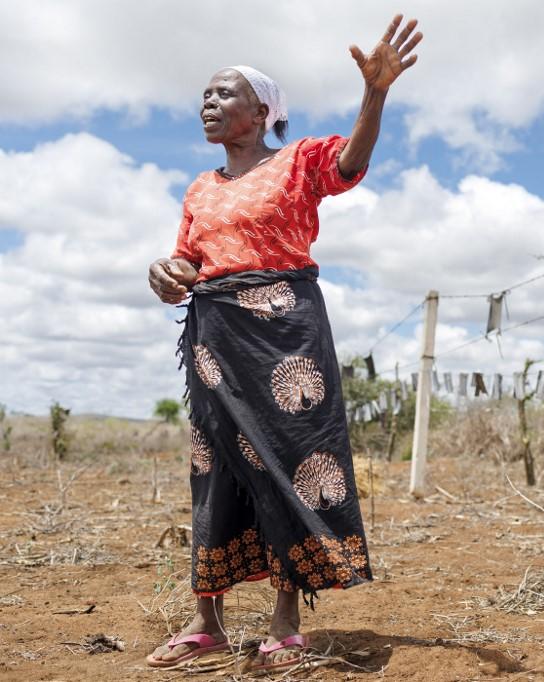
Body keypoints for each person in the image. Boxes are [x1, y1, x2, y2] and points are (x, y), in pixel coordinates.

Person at [145, 15, 422, 672]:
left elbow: (350, 165)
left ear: (264, 110)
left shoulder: (298, 162)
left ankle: (284, 619)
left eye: (223, 93)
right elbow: (184, 268)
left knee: (290, 463)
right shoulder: (200, 189)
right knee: (213, 469)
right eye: (205, 96)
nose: (208, 103)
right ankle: (206, 620)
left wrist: (375, 93)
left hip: (284, 337)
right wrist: (165, 274)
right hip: (214, 341)